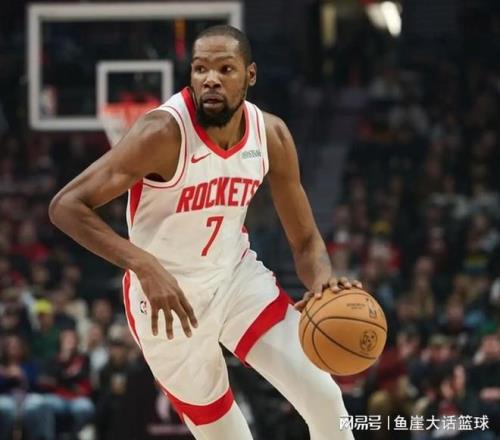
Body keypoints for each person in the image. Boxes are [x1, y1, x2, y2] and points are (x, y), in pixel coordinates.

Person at [49, 25, 359, 440]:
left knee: (325, 398)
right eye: (200, 69)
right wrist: (143, 264)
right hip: (166, 305)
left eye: (225, 69)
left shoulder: (271, 136)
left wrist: (322, 281)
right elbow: (65, 206)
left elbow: (305, 242)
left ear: (250, 75)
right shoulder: (161, 133)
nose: (210, 79)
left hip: (235, 279)